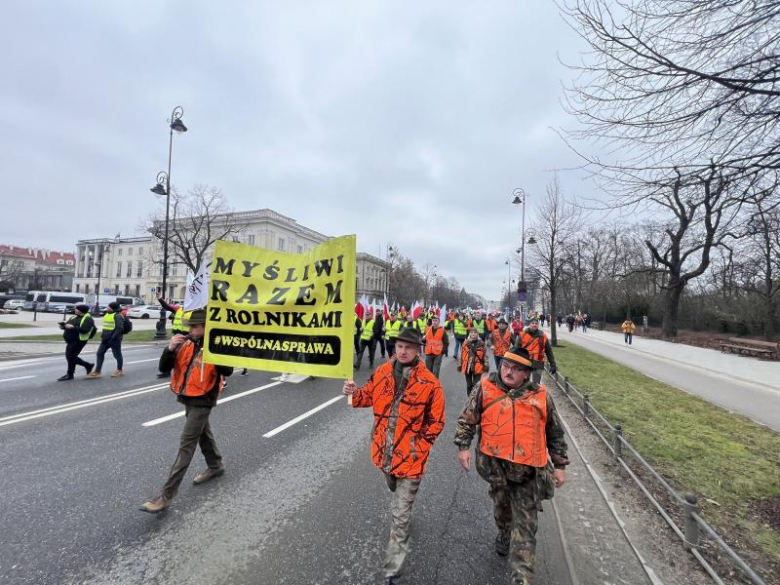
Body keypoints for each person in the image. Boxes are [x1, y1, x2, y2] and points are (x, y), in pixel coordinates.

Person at [454, 347, 569, 585]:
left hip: (529, 474)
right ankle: (504, 530)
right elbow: (467, 419)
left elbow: (555, 433)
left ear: (526, 374)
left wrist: (559, 465)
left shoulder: (541, 396)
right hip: (497, 471)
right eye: (506, 366)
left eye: (516, 369)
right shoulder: (485, 388)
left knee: (525, 531)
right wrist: (463, 446)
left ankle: (521, 578)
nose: (509, 372)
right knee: (502, 511)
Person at [343, 328, 445, 585]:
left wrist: (418, 446)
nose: (402, 351)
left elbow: (436, 422)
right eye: (399, 345)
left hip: (411, 459)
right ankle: (401, 499)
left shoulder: (430, 383)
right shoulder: (382, 372)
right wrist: (352, 391)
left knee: (399, 516)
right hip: (383, 453)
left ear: (418, 350)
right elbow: (366, 397)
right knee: (392, 486)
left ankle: (393, 572)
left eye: (408, 347)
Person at [140, 309, 234, 513]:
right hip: (187, 396)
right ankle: (216, 466)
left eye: (194, 326)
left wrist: (214, 349)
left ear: (206, 327)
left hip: (204, 399)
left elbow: (227, 371)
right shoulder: (185, 343)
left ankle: (165, 496)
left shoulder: (216, 344)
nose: (190, 330)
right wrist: (170, 348)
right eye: (190, 326)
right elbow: (165, 368)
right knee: (203, 435)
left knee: (186, 445)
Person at [85, 302, 125, 379]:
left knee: (117, 355)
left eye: (108, 308)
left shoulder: (117, 316)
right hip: (105, 339)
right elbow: (106, 326)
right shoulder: (107, 314)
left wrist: (113, 337)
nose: (107, 309)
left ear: (113, 308)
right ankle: (97, 371)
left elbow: (119, 328)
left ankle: (119, 370)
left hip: (114, 340)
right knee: (99, 353)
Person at [57, 303, 95, 381]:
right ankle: (87, 366)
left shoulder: (88, 319)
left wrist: (73, 327)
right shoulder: (73, 317)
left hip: (79, 341)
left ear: (81, 311)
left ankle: (70, 374)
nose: (75, 310)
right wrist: (63, 326)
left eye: (76, 309)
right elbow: (67, 326)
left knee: (70, 357)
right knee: (70, 357)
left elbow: (85, 330)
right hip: (70, 341)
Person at [517, 317, 557, 384]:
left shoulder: (543, 336)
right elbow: (516, 349)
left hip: (538, 363)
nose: (534, 325)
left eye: (536, 323)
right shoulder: (522, 335)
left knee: (536, 384)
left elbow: (549, 351)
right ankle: (525, 394)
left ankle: (534, 394)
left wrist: (553, 364)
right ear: (529, 324)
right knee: (523, 383)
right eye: (532, 323)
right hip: (525, 362)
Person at [458, 327, 489, 395]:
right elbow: (461, 354)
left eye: (475, 332)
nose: (473, 334)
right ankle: (469, 398)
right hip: (467, 367)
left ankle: (474, 398)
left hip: (478, 367)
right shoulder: (465, 343)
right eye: (471, 332)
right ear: (469, 334)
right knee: (469, 385)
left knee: (475, 385)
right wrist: (460, 365)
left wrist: (486, 365)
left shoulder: (482, 344)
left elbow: (485, 356)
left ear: (477, 334)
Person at [423, 314, 449, 378]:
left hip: (438, 353)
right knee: (428, 370)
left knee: (436, 371)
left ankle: (435, 384)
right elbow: (424, 341)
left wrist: (442, 352)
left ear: (439, 322)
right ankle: (430, 383)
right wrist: (423, 339)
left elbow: (446, 343)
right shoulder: (427, 329)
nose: (434, 322)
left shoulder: (442, 330)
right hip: (428, 352)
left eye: (436, 321)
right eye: (433, 320)